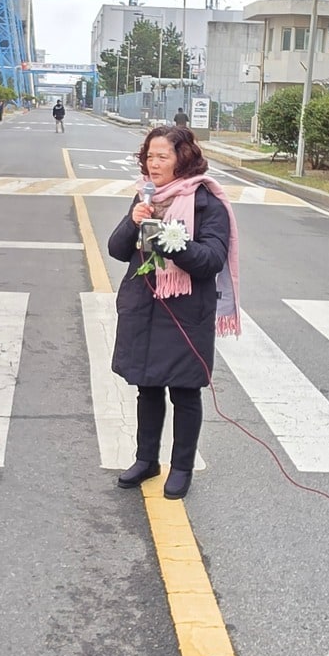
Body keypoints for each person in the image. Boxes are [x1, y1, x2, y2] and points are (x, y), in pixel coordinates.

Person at [106, 126, 241, 499]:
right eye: (149, 156)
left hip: (185, 312)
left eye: (162, 156)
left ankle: (181, 467)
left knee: (184, 392)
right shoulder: (145, 197)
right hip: (144, 307)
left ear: (183, 157)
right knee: (147, 388)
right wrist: (135, 222)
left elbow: (211, 259)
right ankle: (146, 459)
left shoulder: (206, 203)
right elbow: (118, 249)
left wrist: (167, 239)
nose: (153, 164)